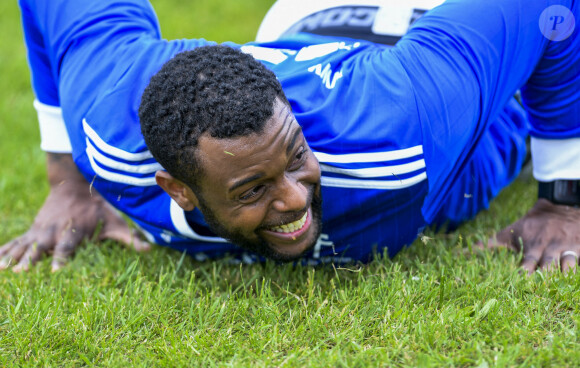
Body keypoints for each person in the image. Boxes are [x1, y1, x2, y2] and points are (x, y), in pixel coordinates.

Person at [1, 0, 578, 273]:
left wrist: (562, 201)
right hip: (307, 20)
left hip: (423, 42)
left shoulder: (401, 131)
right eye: (253, 189)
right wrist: (69, 184)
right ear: (178, 190)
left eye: (296, 158)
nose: (298, 198)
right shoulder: (109, 132)